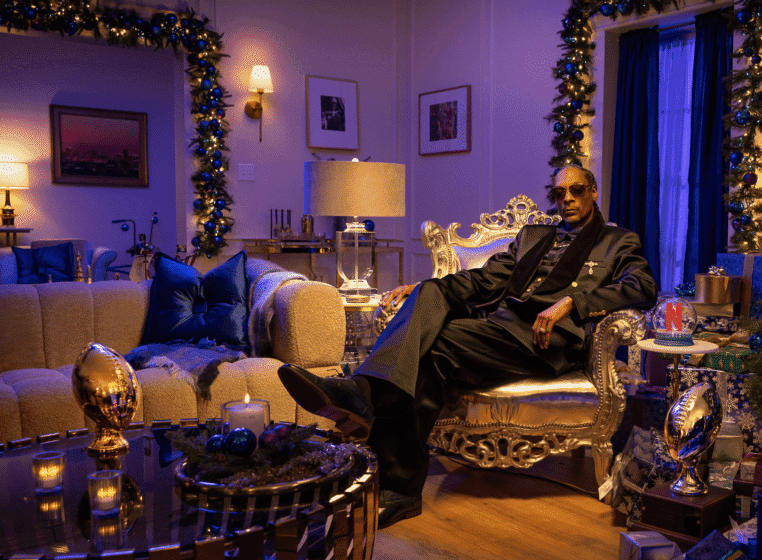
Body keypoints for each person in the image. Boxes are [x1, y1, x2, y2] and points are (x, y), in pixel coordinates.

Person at [278, 165, 658, 528]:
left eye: (576, 190)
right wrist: (420, 294)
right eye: (560, 193)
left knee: (433, 343)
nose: (568, 199)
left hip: (545, 342)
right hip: (498, 328)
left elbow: (642, 286)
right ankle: (396, 484)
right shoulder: (534, 236)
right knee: (430, 318)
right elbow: (484, 280)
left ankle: (366, 401)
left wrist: (573, 302)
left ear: (593, 192)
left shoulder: (616, 241)